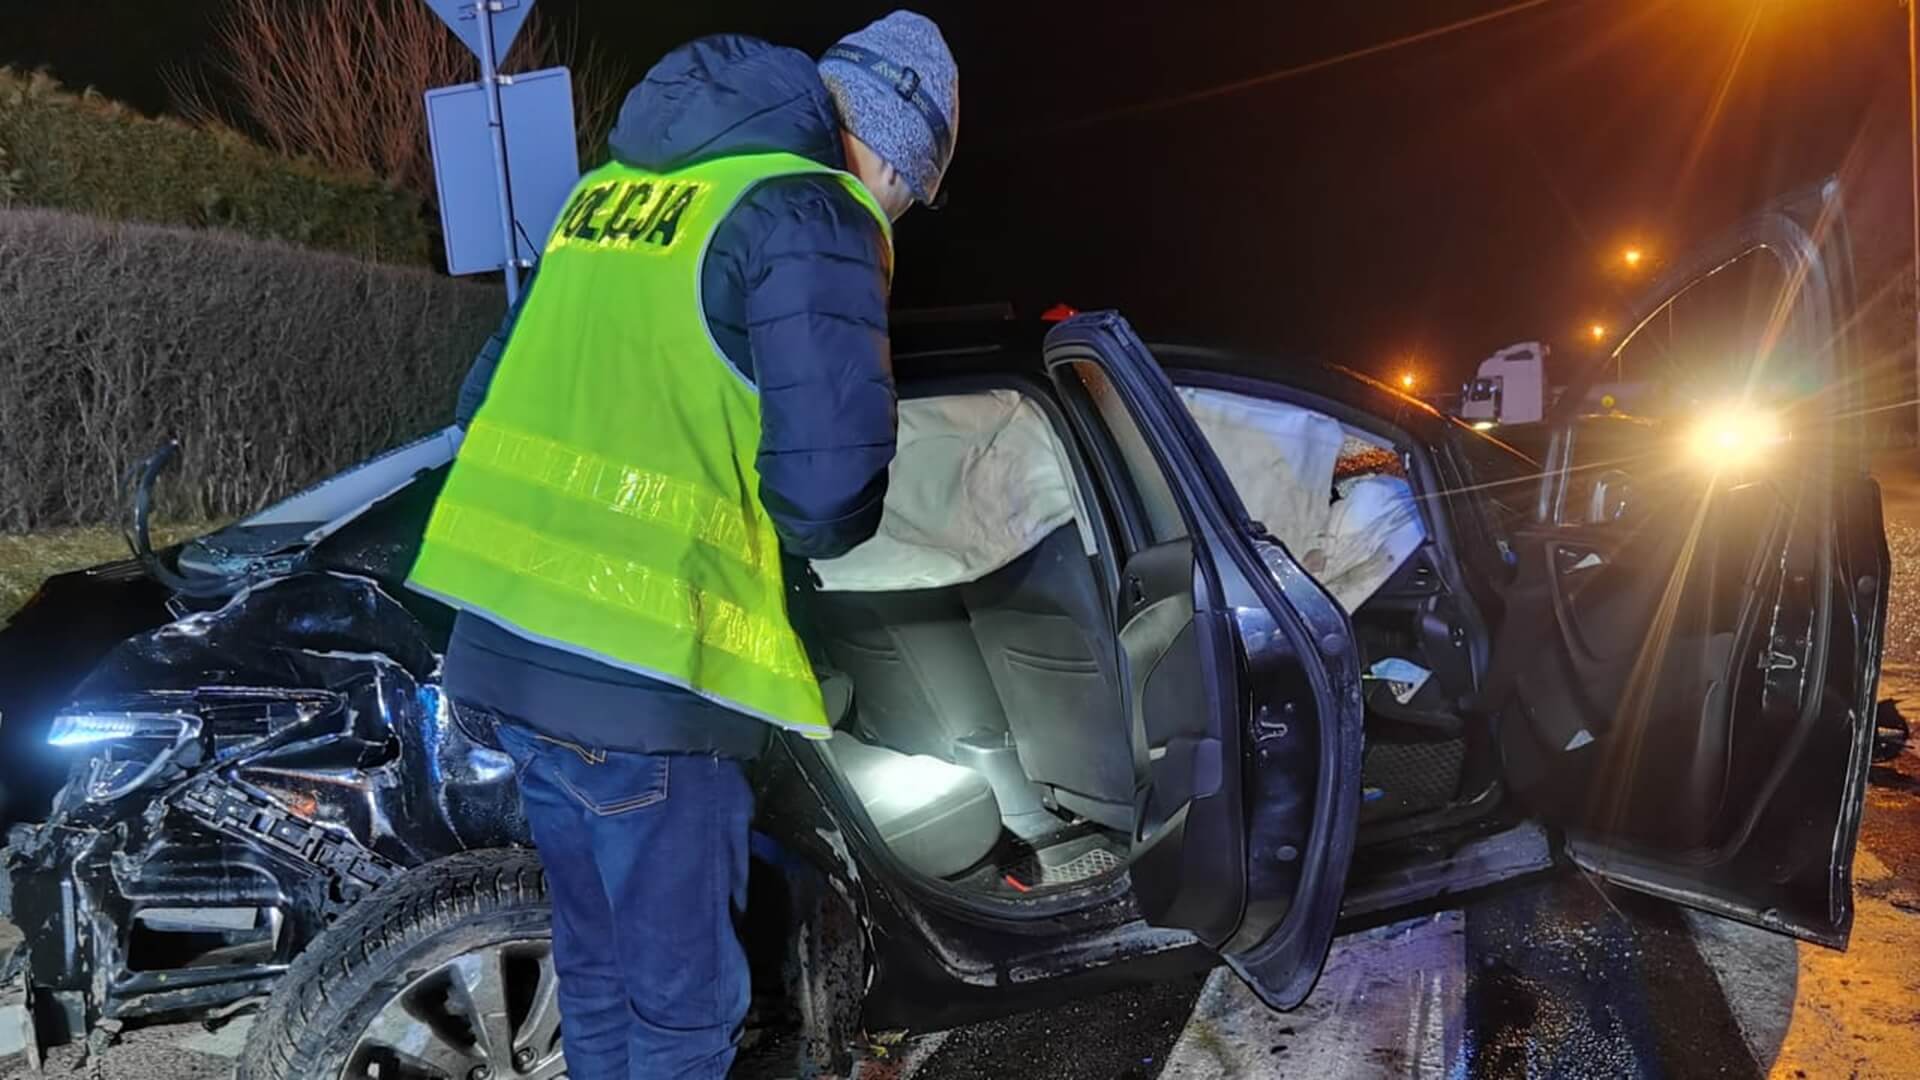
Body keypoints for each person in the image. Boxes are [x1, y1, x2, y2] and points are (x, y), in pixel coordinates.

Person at [407, 13, 958, 1079]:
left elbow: (487, 404)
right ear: (892, 146)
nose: (899, 211)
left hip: (510, 661)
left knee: (600, 972)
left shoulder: (606, 198)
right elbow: (826, 496)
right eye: (913, 191)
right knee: (684, 1009)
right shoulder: (812, 209)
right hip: (647, 679)